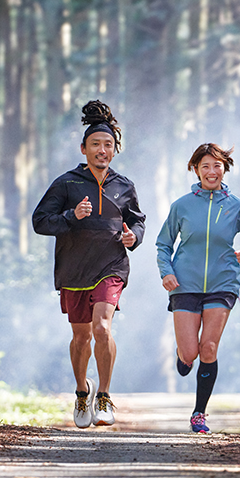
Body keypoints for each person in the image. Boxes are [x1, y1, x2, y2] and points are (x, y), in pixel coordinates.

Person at [33, 100, 146, 429]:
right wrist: (71, 215)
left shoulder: (124, 186)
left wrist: (133, 238)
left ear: (115, 149)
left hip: (111, 266)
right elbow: (40, 221)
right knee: (81, 337)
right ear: (84, 148)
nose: (102, 150)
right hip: (73, 269)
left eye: (107, 145)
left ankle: (105, 396)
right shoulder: (66, 184)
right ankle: (82, 390)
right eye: (95, 144)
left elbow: (137, 222)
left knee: (102, 328)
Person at [156, 143, 240, 434]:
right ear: (195, 169)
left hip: (222, 283)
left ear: (225, 168)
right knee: (190, 354)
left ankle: (199, 413)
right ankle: (182, 354)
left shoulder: (237, 206)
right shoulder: (182, 206)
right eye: (205, 166)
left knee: (209, 347)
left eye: (217, 166)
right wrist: (167, 273)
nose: (211, 172)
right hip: (184, 283)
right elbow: (163, 244)